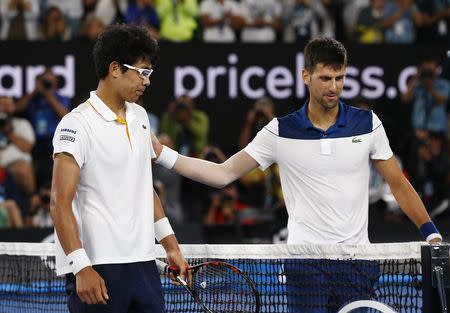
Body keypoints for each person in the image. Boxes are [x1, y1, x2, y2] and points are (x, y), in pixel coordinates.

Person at [152, 37, 442, 310]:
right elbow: (222, 173)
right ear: (306, 76)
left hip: (358, 261)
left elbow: (398, 184)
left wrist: (431, 234)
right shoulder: (280, 131)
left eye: (339, 78)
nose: (334, 87)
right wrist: (163, 154)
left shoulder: (368, 124)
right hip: (305, 263)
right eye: (325, 78)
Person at [50, 24, 188, 312]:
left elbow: (143, 186)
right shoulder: (76, 125)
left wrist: (170, 245)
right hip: (98, 269)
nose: (147, 81)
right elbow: (59, 203)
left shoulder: (140, 116)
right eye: (142, 71)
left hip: (143, 265)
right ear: (115, 69)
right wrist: (81, 266)